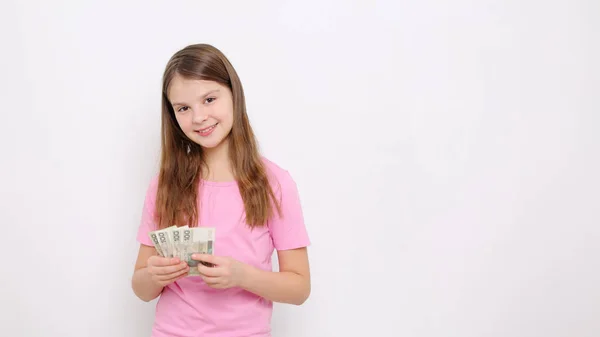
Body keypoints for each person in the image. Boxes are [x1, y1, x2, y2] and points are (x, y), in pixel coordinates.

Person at [131, 43, 311, 337]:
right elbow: (141, 289)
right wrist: (153, 275)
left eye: (210, 99)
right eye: (184, 108)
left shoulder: (274, 183)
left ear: (234, 95)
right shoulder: (165, 184)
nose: (199, 117)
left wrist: (241, 276)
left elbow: (300, 287)